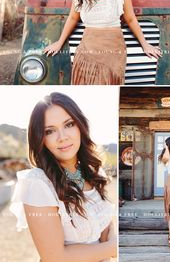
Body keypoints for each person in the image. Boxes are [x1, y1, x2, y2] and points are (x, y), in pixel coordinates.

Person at [10, 92, 117, 262]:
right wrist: (113, 248)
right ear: (40, 138)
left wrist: (108, 246)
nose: (63, 137)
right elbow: (55, 257)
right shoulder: (38, 183)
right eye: (50, 131)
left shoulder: (92, 171)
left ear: (80, 125)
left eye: (69, 124)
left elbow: (104, 223)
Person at [43, 0, 162, 85]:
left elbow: (130, 19)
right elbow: (72, 18)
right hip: (87, 50)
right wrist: (59, 43)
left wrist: (145, 44)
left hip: (112, 50)